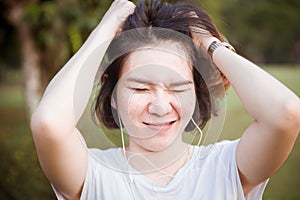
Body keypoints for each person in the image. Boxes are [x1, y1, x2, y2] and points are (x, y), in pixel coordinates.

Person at [30, 0, 300, 199]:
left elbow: (286, 113)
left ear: (196, 93)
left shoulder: (227, 168)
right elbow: (49, 123)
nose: (160, 107)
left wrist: (210, 43)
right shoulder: (92, 173)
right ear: (112, 95)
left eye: (178, 88)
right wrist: (106, 28)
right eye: (141, 88)